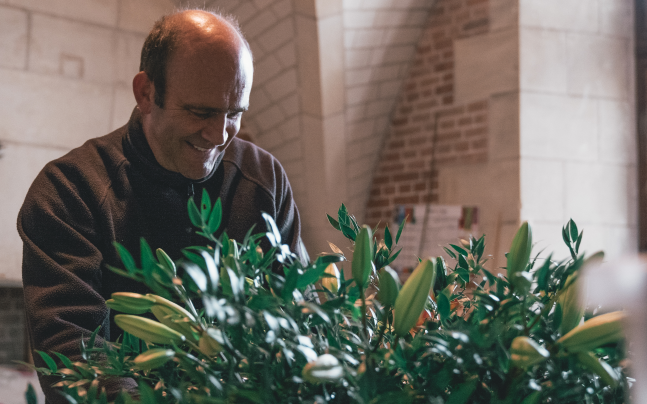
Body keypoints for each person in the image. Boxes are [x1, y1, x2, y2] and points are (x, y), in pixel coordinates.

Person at [17, 9, 300, 403]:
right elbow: (75, 358)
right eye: (200, 112)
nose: (219, 135)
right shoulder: (70, 190)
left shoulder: (263, 181)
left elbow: (296, 314)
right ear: (146, 93)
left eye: (234, 113)